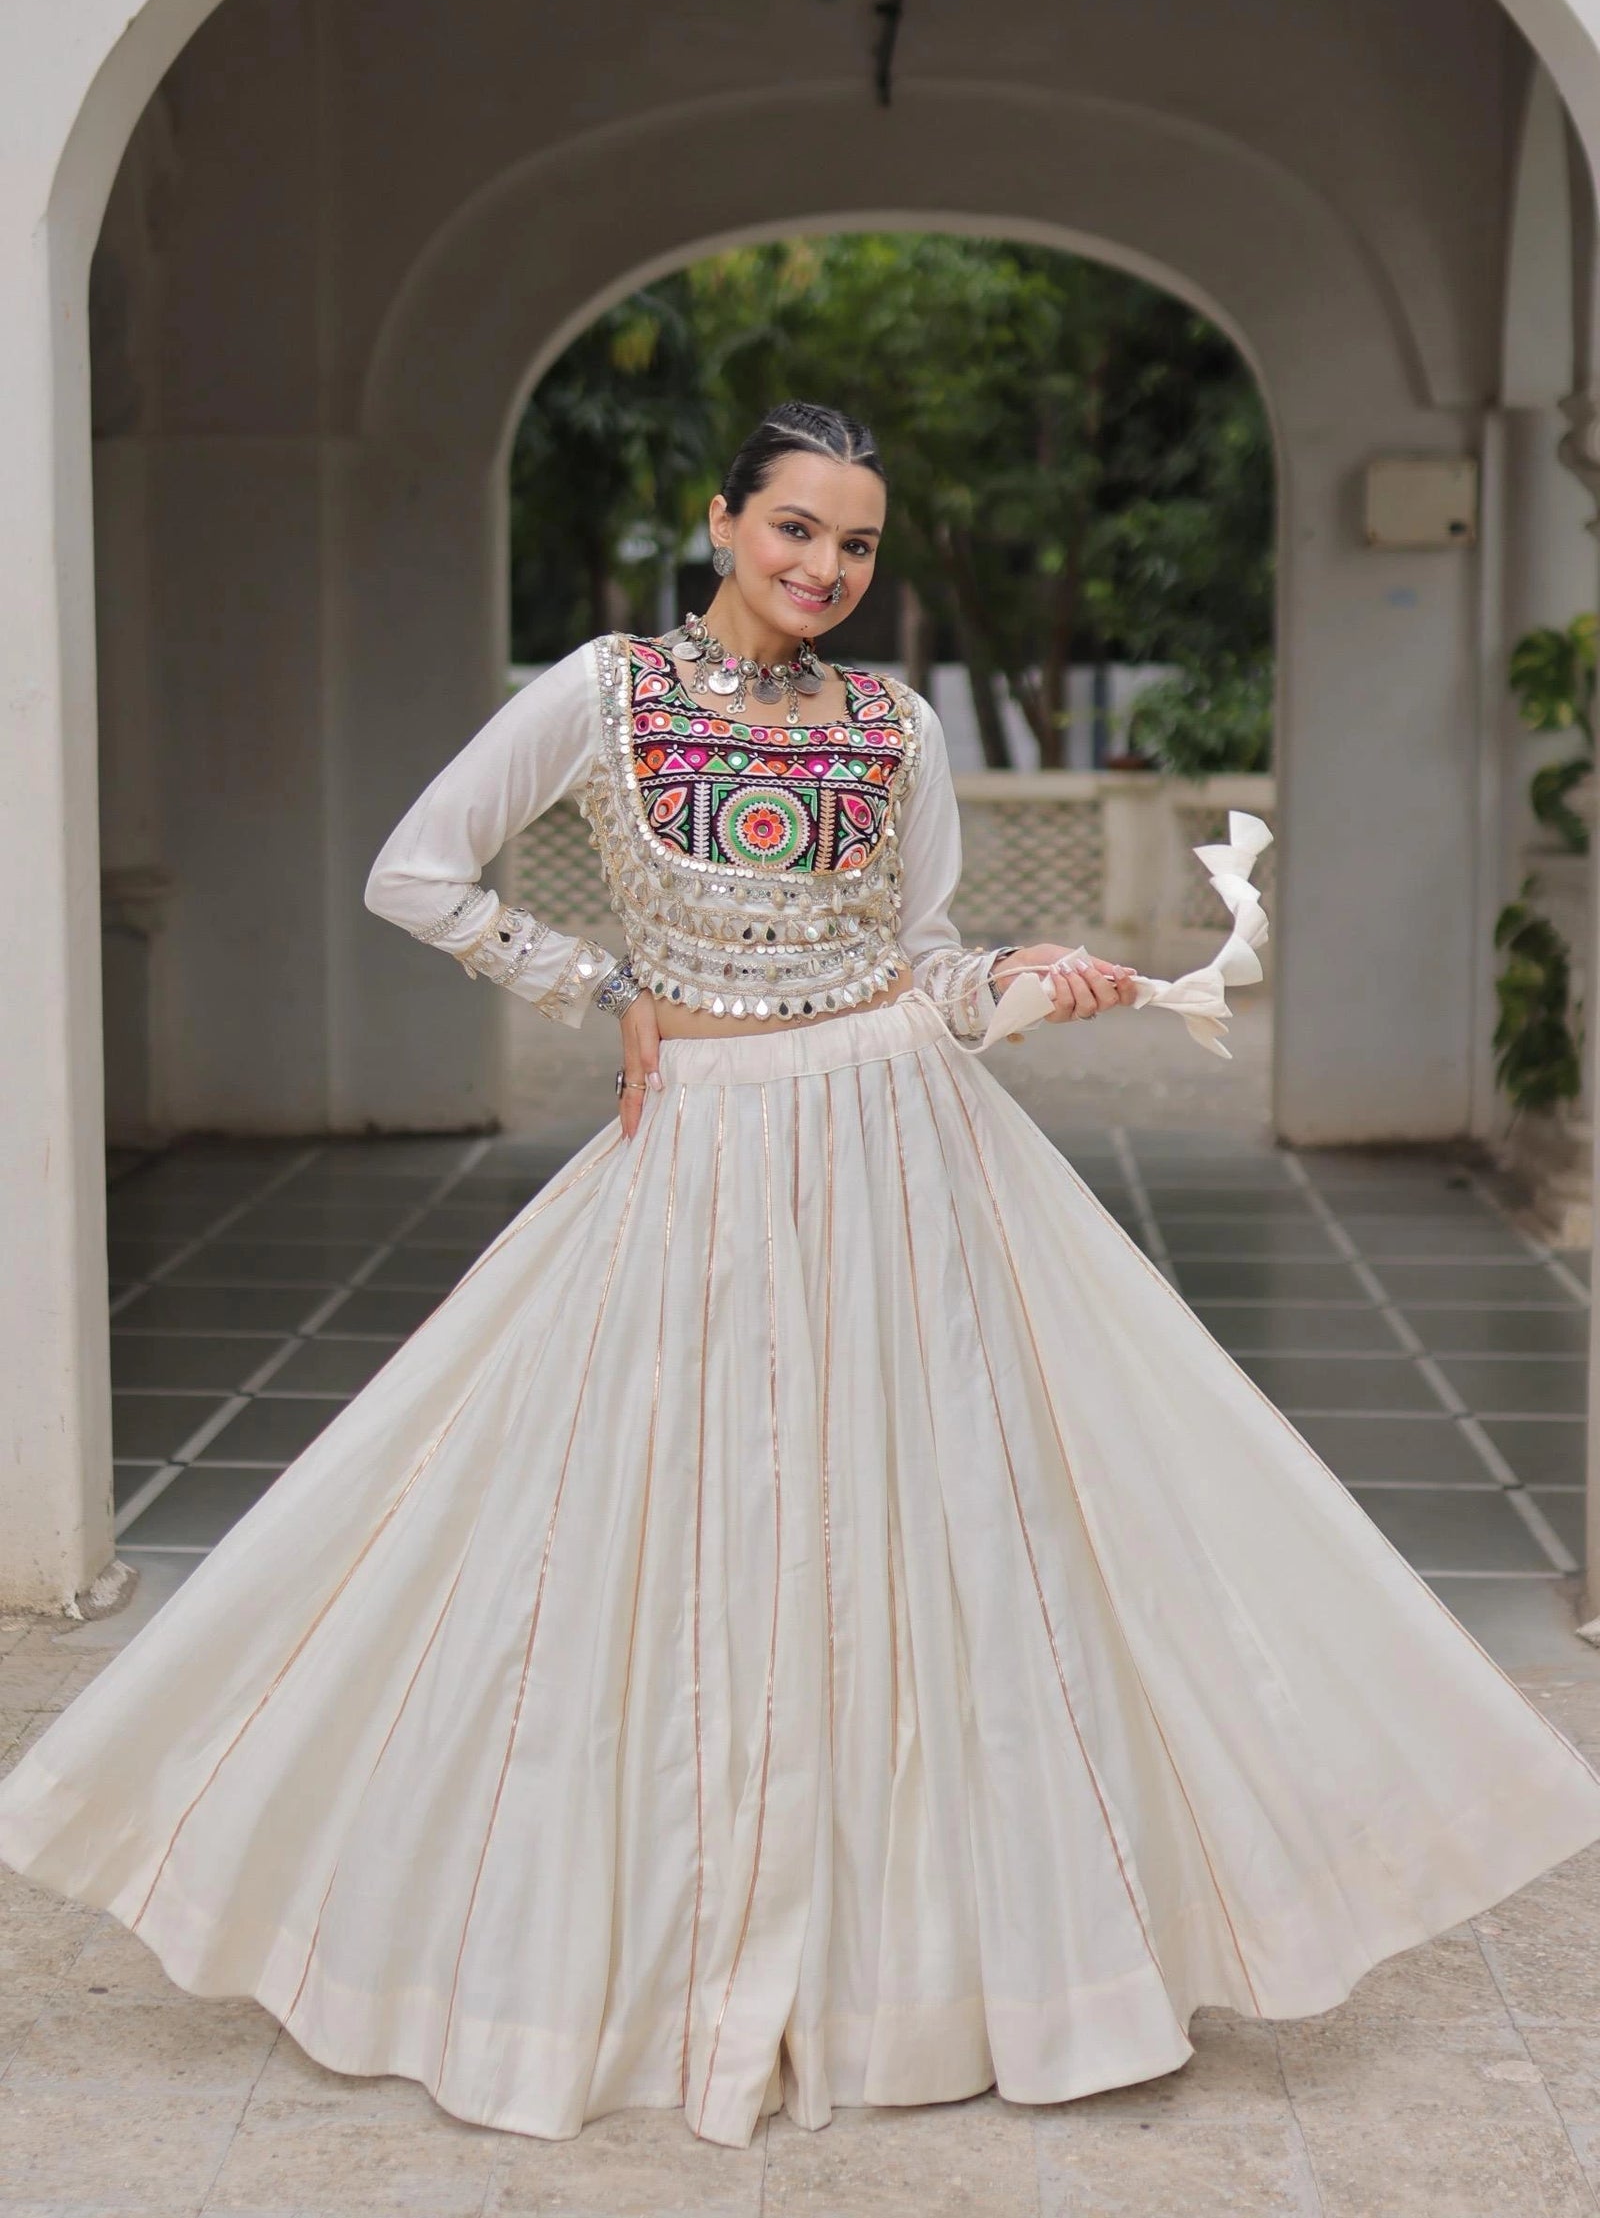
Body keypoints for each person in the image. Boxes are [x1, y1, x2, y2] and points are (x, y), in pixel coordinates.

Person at [3, 399, 1600, 2154]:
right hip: (692, 1147)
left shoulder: (895, 723)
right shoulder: (602, 692)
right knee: (646, 1524)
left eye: (853, 543)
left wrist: (1032, 980)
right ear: (721, 523)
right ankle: (615, 1951)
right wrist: (606, 992)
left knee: (939, 1532)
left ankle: (934, 1973)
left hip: (902, 1141)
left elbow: (924, 963)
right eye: (793, 531)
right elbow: (415, 870)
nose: (824, 568)